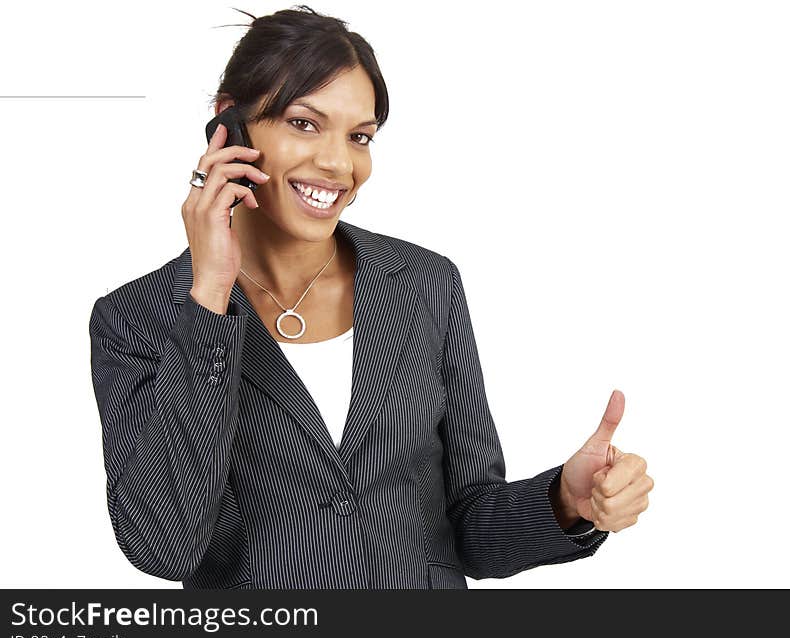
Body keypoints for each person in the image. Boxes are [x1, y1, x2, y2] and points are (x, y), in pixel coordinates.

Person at [88, 5, 653, 589]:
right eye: (303, 123)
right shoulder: (136, 318)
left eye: (359, 137)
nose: (338, 163)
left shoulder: (423, 284)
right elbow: (163, 544)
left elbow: (467, 529)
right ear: (228, 122)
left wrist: (565, 500)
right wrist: (209, 293)